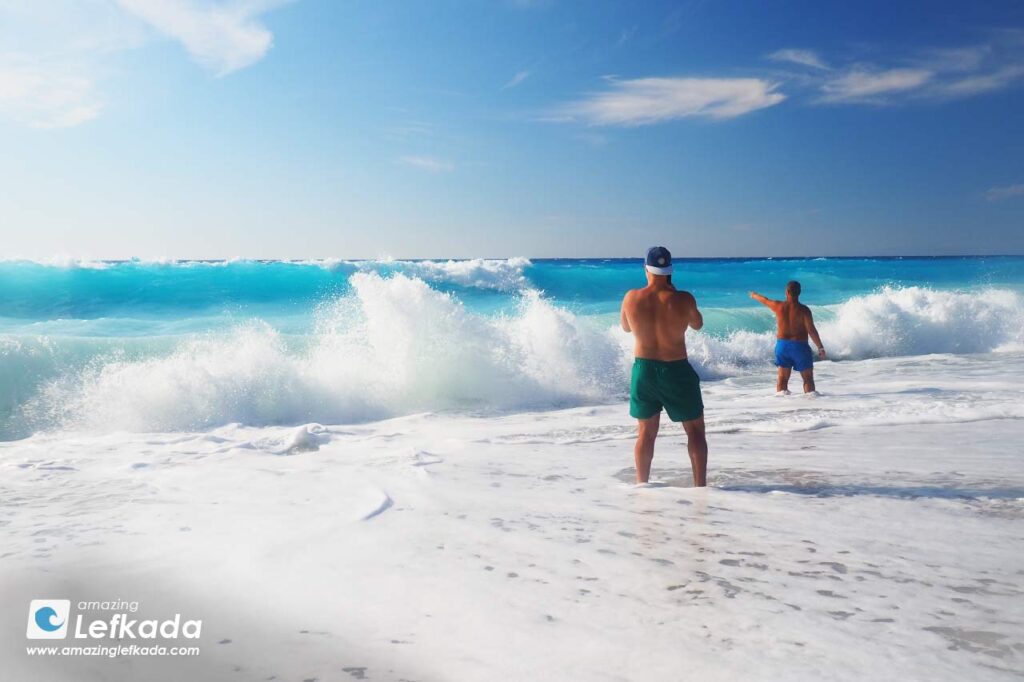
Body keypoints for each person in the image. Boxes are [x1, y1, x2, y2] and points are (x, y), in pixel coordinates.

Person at [620, 246, 708, 487]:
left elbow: (626, 328)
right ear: (670, 270)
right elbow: (698, 324)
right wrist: (678, 297)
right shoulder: (683, 298)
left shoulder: (631, 298)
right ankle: (700, 487)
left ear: (646, 269)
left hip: (644, 371)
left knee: (646, 434)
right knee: (695, 432)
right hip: (676, 369)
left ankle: (642, 486)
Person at [749, 281, 826, 394]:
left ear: (786, 292)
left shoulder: (778, 306)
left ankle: (782, 407)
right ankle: (811, 406)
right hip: (800, 347)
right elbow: (811, 330)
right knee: (808, 379)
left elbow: (765, 300)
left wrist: (754, 295)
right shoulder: (804, 310)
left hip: (782, 347)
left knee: (782, 379)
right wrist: (820, 347)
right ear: (799, 293)